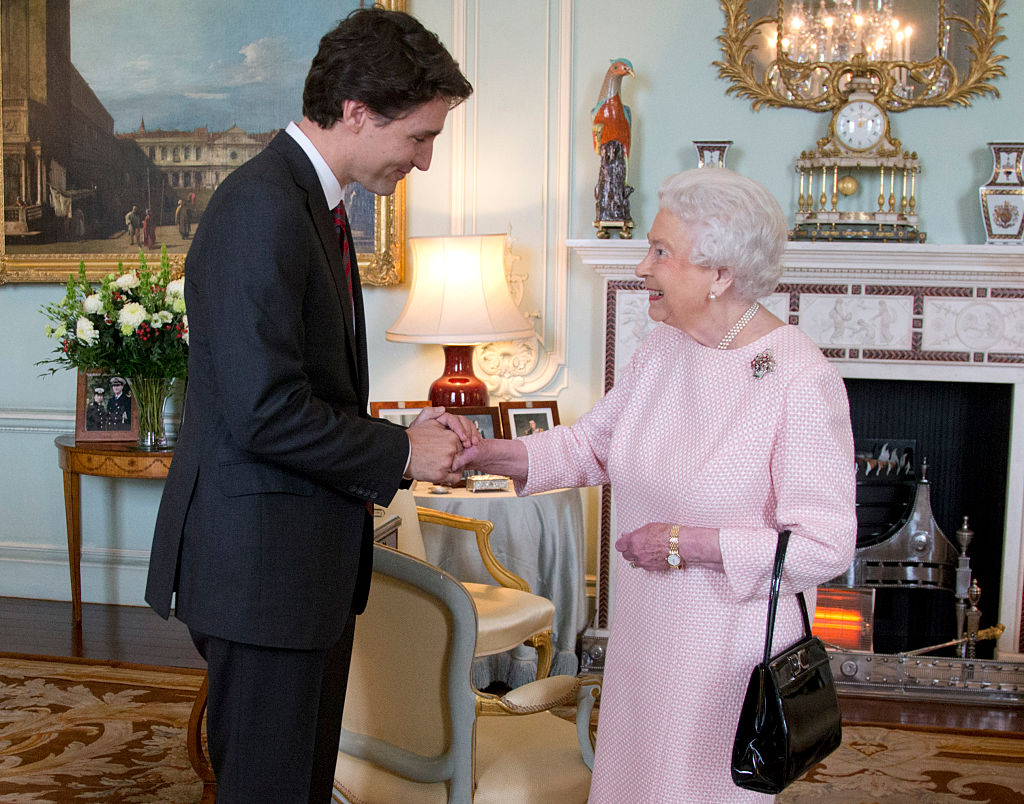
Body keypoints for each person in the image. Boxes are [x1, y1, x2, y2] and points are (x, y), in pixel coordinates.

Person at [144, 8, 474, 803]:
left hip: (290, 570)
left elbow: (305, 390)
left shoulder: (305, 203)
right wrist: (398, 454)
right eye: (420, 136)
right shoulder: (262, 209)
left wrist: (399, 438)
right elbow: (265, 410)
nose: (424, 160)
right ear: (357, 110)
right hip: (263, 577)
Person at [455, 167, 857, 801]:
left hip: (726, 655)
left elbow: (825, 545)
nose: (642, 267)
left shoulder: (800, 380)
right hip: (645, 637)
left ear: (720, 273)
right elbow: (593, 445)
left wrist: (683, 543)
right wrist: (487, 454)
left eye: (661, 252)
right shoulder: (664, 348)